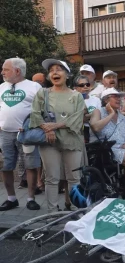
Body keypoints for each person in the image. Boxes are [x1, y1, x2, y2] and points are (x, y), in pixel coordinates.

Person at [29, 59, 85, 213]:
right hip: (49, 140)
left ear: (67, 75)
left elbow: (78, 118)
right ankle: (52, 212)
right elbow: (35, 114)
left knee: (74, 178)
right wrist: (47, 129)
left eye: (59, 69)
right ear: (48, 76)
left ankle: (75, 209)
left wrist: (55, 125)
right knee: (52, 179)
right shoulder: (43, 93)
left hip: (72, 140)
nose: (55, 72)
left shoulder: (76, 96)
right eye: (52, 70)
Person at [0, 58, 43, 211]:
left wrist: (34, 126)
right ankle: (11, 198)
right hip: (5, 134)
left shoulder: (34, 86)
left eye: (6, 69)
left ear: (17, 71)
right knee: (6, 166)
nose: (2, 72)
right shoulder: (1, 87)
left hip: (27, 134)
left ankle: (31, 199)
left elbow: (43, 109)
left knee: (31, 166)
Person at [74, 75, 101, 143]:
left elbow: (100, 115)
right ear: (76, 88)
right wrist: (93, 115)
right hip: (79, 132)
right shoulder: (72, 101)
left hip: (95, 131)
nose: (85, 87)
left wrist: (88, 115)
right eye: (82, 85)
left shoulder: (96, 100)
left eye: (87, 84)